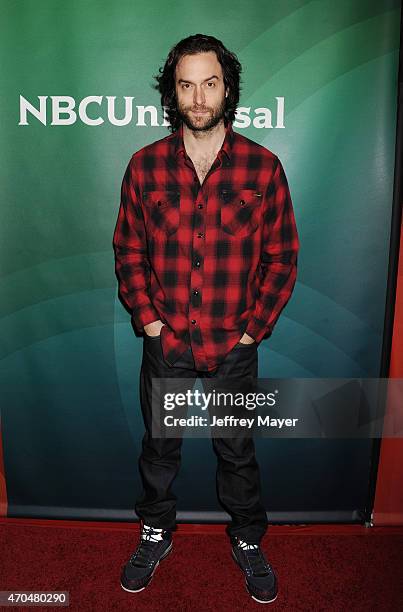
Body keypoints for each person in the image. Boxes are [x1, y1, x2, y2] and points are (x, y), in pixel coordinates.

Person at [113, 33, 299, 604]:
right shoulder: (144, 168)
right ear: (173, 91)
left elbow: (282, 256)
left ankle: (247, 538)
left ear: (228, 89)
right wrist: (149, 324)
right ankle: (155, 530)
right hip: (165, 343)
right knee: (159, 449)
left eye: (210, 83)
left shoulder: (263, 169)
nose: (198, 97)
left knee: (237, 450)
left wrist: (250, 332)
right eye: (186, 84)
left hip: (233, 346)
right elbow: (129, 252)